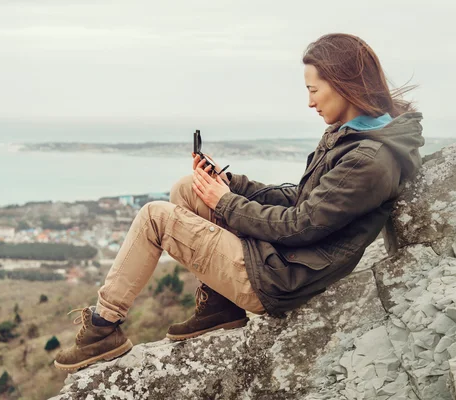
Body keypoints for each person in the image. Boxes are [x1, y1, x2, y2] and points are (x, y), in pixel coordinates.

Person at [53, 33, 424, 371]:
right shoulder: (351, 137)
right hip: (281, 260)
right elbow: (301, 200)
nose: (309, 101)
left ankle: (103, 328)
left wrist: (227, 202)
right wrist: (230, 183)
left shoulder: (368, 160)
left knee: (155, 217)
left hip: (280, 279)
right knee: (189, 189)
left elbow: (300, 226)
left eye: (314, 89)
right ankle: (220, 306)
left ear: (344, 85)